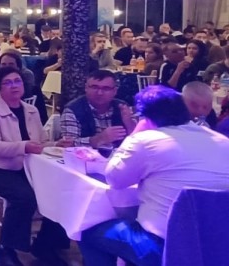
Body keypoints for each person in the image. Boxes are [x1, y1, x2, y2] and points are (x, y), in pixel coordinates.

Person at [79, 85, 229, 266]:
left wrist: (135, 134)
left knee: (87, 231)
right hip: (218, 246)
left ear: (145, 117)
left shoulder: (146, 140)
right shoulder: (223, 141)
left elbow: (115, 180)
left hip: (165, 247)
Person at [0, 67, 69, 266]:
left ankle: (45, 244)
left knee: (61, 192)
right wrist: (24, 147)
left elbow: (40, 142)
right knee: (24, 197)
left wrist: (56, 144)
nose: (14, 86)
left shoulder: (31, 110)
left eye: (17, 81)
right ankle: (5, 249)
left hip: (30, 167)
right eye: (7, 83)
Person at [60, 70, 137, 148]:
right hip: (85, 155)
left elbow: (138, 140)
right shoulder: (73, 110)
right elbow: (68, 145)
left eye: (106, 88)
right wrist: (99, 139)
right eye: (94, 87)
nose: (99, 93)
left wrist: (129, 122)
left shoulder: (122, 107)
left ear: (114, 91)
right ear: (86, 88)